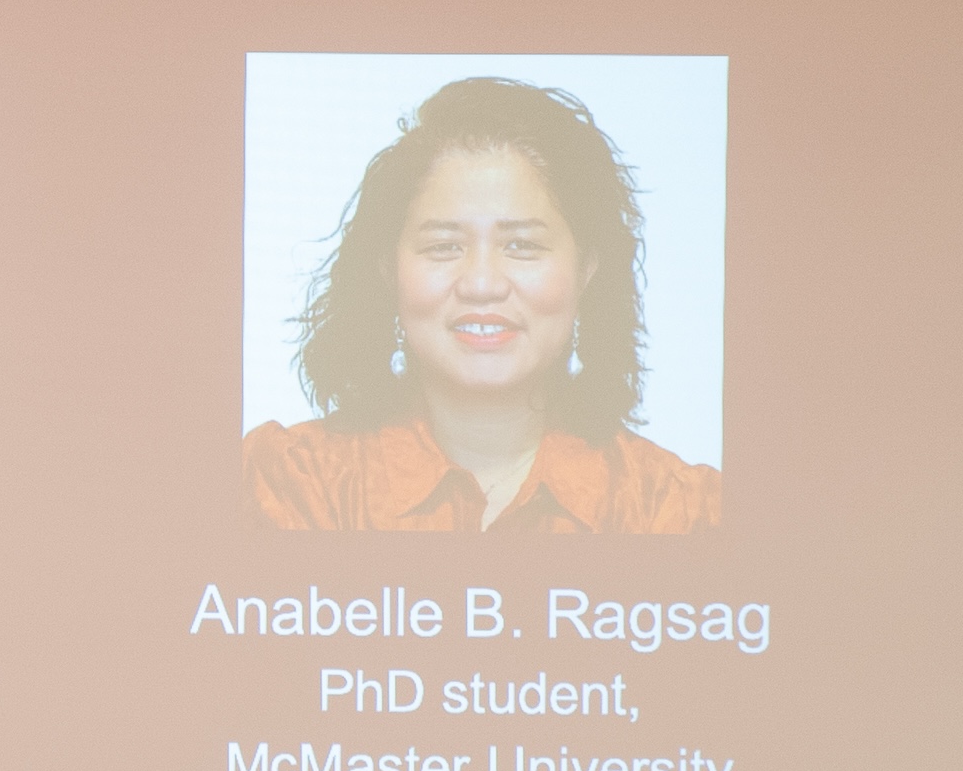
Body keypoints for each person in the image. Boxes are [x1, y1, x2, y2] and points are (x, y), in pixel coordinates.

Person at [243, 75, 724, 535]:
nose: (481, 284)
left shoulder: (676, 509)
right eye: (443, 247)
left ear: (586, 271)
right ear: (389, 271)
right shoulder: (290, 483)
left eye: (522, 246)